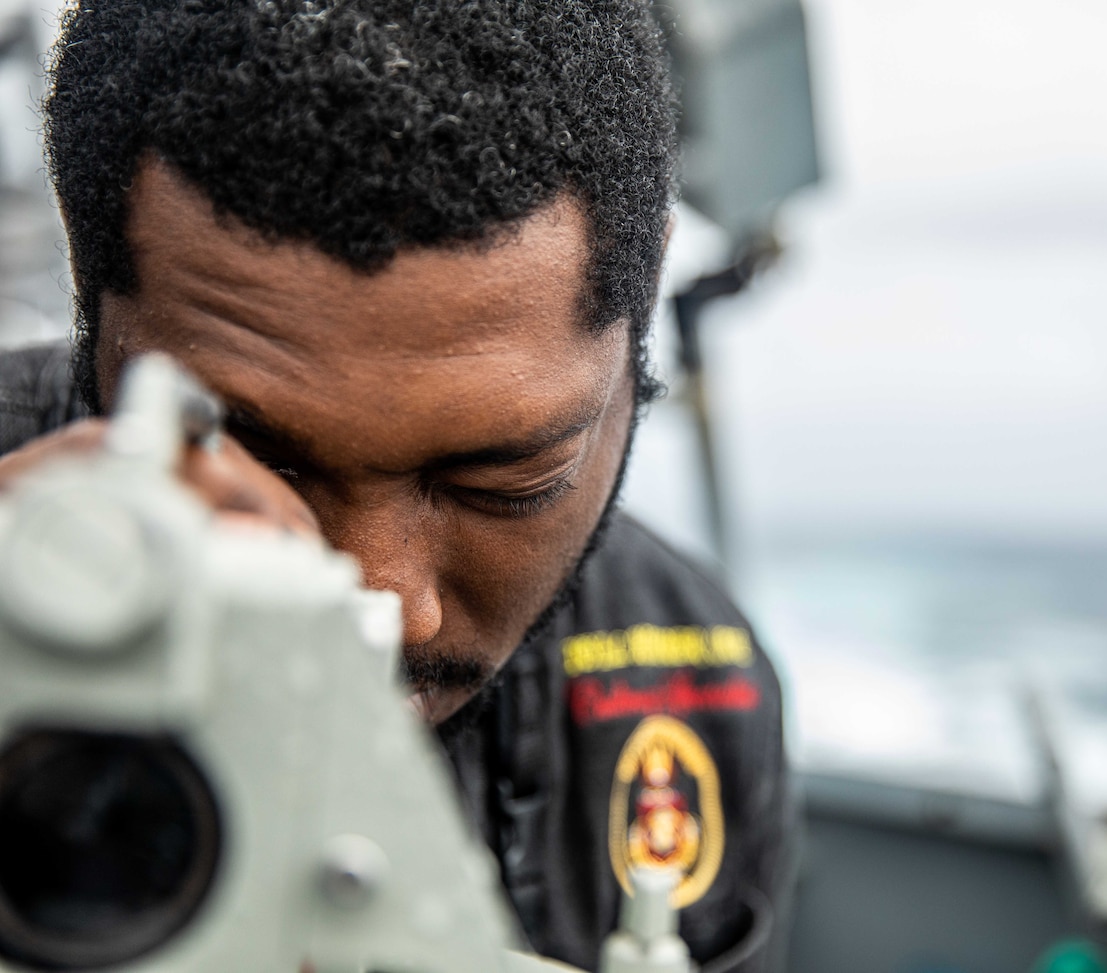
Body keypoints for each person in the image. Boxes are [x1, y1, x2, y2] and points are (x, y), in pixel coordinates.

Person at [0, 2, 790, 971]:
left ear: (637, 310)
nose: (384, 602)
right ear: (94, 298)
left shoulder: (691, 673)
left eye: (503, 481)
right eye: (256, 461)